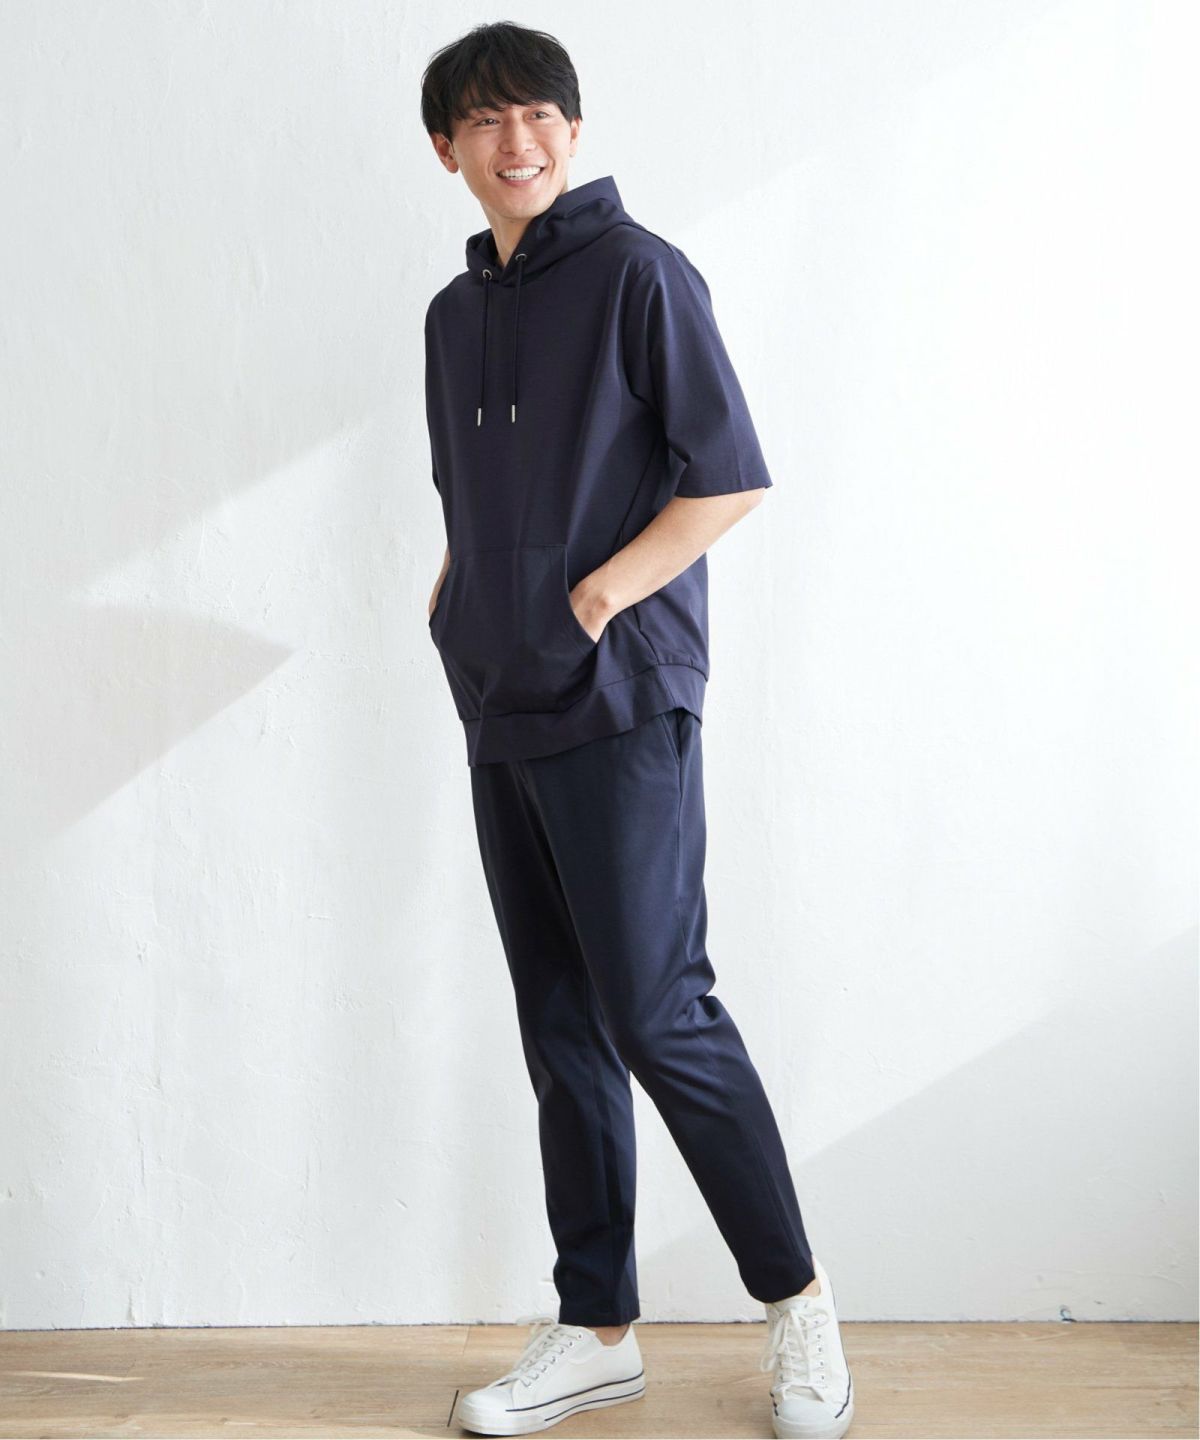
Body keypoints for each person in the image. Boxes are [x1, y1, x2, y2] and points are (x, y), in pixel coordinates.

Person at [418, 21, 854, 1440]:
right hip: (498, 698)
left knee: (659, 1012)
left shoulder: (640, 274)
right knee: (560, 1025)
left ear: (574, 129)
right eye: (487, 121)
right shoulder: (452, 314)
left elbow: (726, 477)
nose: (518, 142)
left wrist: (599, 596)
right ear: (446, 148)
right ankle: (597, 1327)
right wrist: (462, 600)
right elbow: (471, 493)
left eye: (540, 113)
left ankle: (798, 1304)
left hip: (619, 698)